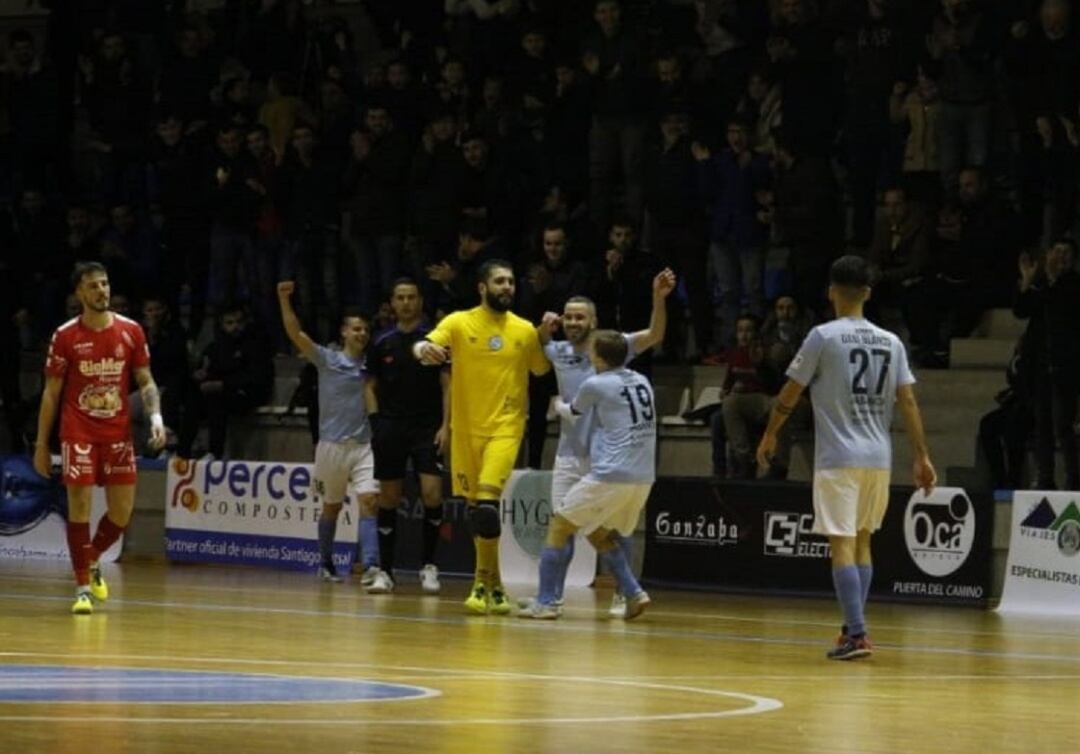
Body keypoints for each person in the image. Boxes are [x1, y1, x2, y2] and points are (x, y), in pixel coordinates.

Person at [756, 255, 936, 660]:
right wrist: (922, 456)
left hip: (839, 456)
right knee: (863, 542)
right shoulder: (892, 341)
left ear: (832, 291)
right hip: (879, 456)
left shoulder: (823, 336)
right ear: (868, 294)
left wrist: (770, 434)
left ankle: (856, 634)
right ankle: (851, 627)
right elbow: (908, 401)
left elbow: (790, 392)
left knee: (841, 544)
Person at [531, 268, 675, 614]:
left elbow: (656, 333)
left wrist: (658, 298)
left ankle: (622, 594)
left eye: (580, 317)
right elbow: (538, 342)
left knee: (607, 528)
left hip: (604, 457)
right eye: (568, 317)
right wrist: (542, 327)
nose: (573, 322)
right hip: (570, 453)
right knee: (569, 526)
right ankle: (554, 597)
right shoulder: (559, 350)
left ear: (594, 322)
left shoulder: (614, 347)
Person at [413, 259, 551, 614]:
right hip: (465, 432)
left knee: (488, 503)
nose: (508, 287)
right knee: (479, 514)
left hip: (506, 427)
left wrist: (545, 338)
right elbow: (426, 344)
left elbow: (540, 368)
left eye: (511, 282)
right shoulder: (459, 322)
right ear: (482, 288)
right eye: (500, 281)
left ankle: (478, 582)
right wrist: (422, 350)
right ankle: (497, 586)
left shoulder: (523, 330)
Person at [33, 262, 166, 615]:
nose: (102, 291)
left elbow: (146, 380)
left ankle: (89, 558)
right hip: (78, 432)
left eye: (105, 284)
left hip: (118, 432)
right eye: (93, 286)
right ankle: (81, 589)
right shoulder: (65, 336)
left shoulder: (131, 331)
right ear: (79, 293)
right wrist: (40, 446)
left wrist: (155, 417)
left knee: (122, 512)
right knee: (79, 508)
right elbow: (51, 394)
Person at [518, 330, 656, 620]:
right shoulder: (641, 380)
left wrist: (556, 404)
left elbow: (573, 412)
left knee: (559, 526)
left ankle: (545, 602)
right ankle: (633, 592)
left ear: (600, 357)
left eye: (592, 352)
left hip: (611, 474)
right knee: (596, 531)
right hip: (643, 476)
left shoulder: (595, 383)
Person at [277, 281, 381, 585]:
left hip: (364, 445)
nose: (361, 333)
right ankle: (325, 563)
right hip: (331, 447)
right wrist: (284, 300)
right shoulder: (327, 360)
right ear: (344, 332)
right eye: (355, 329)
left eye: (365, 329)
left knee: (369, 501)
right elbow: (295, 334)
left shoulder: (373, 365)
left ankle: (372, 567)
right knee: (331, 507)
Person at [365, 279, 450, 593]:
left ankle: (429, 566)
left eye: (411, 297)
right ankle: (385, 571)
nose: (406, 303)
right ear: (392, 302)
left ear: (420, 301)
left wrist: (446, 426)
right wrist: (377, 424)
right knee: (388, 498)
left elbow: (447, 385)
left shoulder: (436, 339)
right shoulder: (381, 340)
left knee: (432, 494)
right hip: (391, 427)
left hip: (428, 428)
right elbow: (369, 386)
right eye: (400, 297)